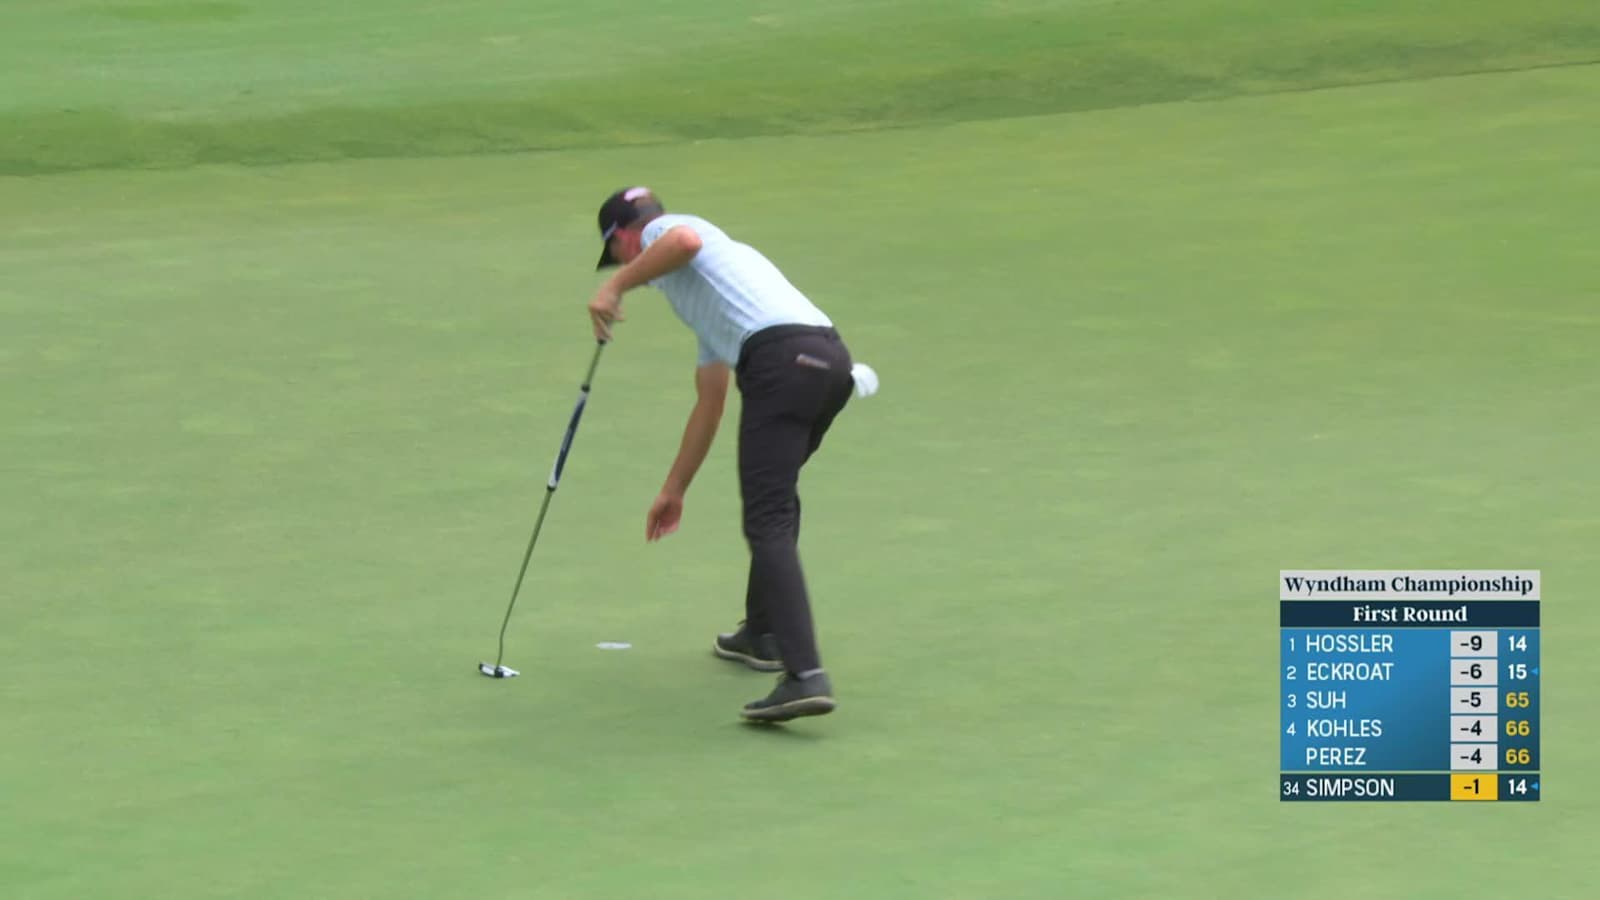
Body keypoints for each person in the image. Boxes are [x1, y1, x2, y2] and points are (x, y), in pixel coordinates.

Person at [587, 186, 878, 723]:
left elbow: (683, 239)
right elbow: (709, 404)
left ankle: (805, 675)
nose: (631, 263)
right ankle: (761, 633)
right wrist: (674, 489)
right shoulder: (707, 296)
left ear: (626, 236)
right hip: (828, 364)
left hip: (782, 362)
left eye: (621, 255)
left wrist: (614, 288)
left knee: (766, 518)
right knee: (777, 502)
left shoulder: (668, 231)